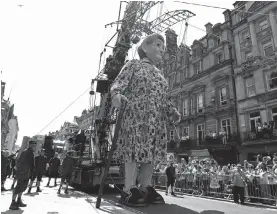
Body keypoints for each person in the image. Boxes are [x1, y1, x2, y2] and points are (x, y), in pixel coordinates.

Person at [111, 33, 181, 207]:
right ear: (144, 47)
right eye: (158, 45)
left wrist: (172, 111)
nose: (161, 49)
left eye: (163, 47)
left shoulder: (160, 76)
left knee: (150, 154)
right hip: (136, 117)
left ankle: (145, 186)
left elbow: (163, 99)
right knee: (133, 151)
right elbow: (118, 83)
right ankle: (129, 189)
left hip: (155, 122)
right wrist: (117, 95)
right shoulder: (133, 65)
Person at [9, 141, 35, 210]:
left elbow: (31, 164)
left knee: (23, 188)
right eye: (32, 145)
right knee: (18, 187)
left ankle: (19, 201)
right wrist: (21, 171)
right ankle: (12, 203)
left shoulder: (31, 153)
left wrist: (31, 173)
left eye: (34, 145)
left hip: (27, 174)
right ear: (29, 145)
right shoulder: (25, 152)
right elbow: (19, 161)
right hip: (22, 173)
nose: (33, 146)